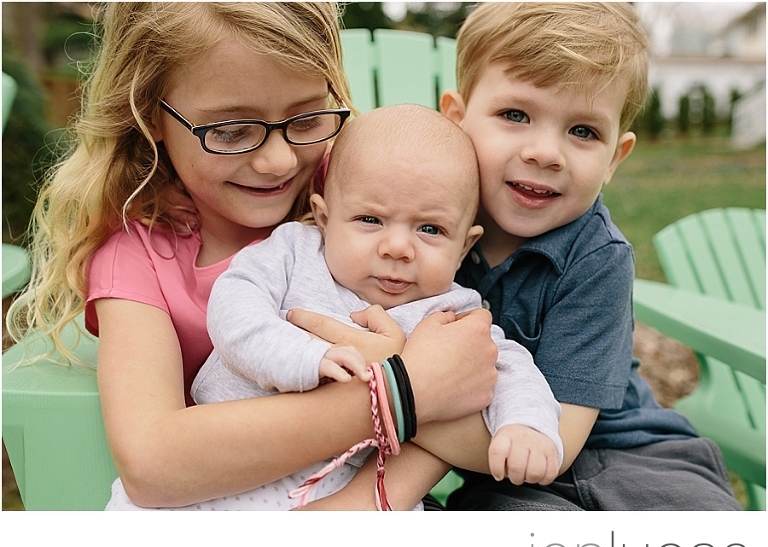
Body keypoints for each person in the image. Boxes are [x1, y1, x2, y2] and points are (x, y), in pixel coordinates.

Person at [6, 2, 500, 511]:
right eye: (230, 131)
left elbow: (487, 431)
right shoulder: (139, 259)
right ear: (151, 114)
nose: (278, 160)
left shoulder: (370, 196)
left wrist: (371, 500)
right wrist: (397, 388)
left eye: (306, 118)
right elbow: (151, 463)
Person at [150, 104, 559, 511]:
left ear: (464, 247)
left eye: (430, 229)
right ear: (324, 218)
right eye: (370, 220)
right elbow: (234, 306)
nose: (397, 248)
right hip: (228, 459)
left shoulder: (451, 311)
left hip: (347, 486)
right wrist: (302, 357)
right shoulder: (294, 252)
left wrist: (526, 425)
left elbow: (508, 367)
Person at [436, 2, 742, 510]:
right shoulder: (412, 230)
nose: (545, 152)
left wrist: (384, 412)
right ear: (456, 119)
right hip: (506, 479)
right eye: (515, 115)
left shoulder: (596, 257)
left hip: (630, 457)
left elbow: (552, 444)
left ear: (614, 159)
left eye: (583, 131)